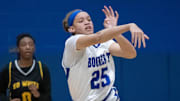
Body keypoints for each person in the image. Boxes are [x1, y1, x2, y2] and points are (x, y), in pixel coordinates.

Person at [62, 5, 149, 101]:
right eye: (81, 21)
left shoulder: (105, 42)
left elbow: (130, 53)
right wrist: (129, 26)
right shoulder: (72, 43)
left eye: (89, 19)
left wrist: (115, 31)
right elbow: (98, 37)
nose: (87, 23)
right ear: (71, 29)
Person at [0, 33, 52, 101]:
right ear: (18, 49)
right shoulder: (8, 69)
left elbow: (48, 98)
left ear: (34, 48)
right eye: (23, 45)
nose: (27, 47)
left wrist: (37, 94)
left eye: (30, 44)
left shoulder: (42, 69)